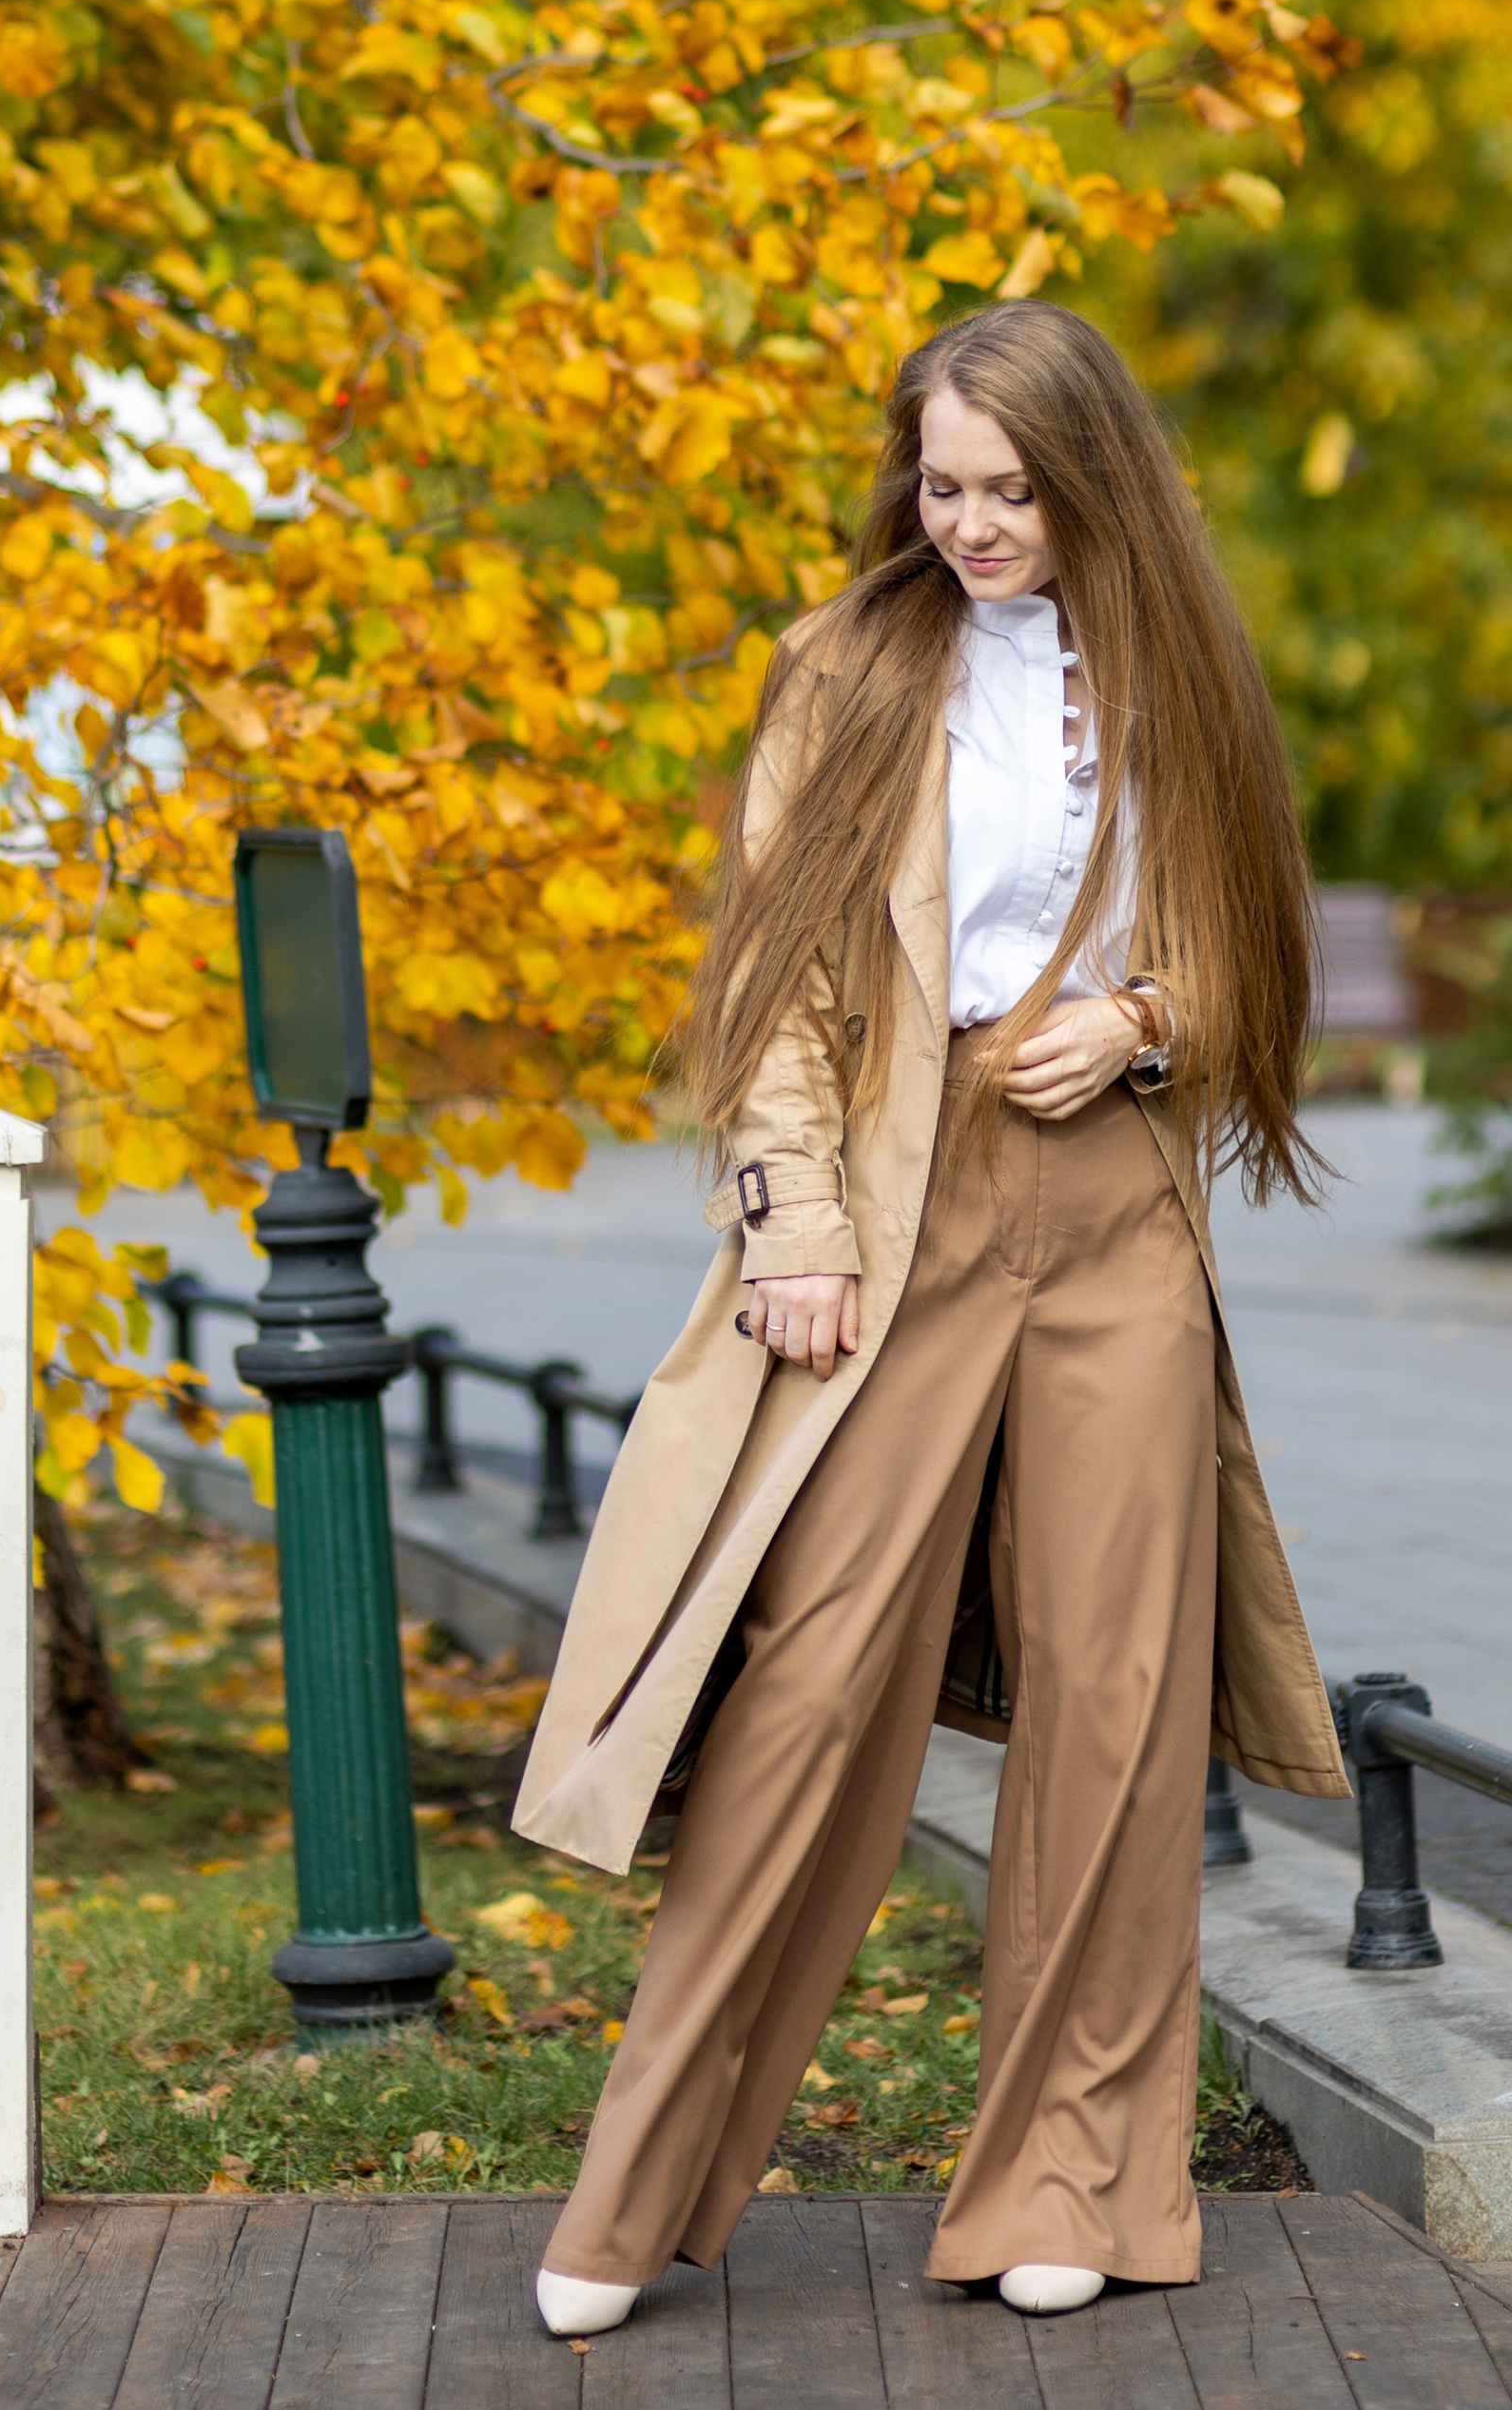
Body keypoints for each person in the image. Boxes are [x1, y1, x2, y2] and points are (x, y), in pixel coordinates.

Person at [512, 301, 1348, 2336]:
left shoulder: (1180, 675)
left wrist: (1142, 1020)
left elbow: (1252, 951)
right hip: (898, 1216)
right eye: (942, 483)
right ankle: (632, 2196)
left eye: (1010, 492)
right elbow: (774, 990)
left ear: (1096, 485)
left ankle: (1073, 2178)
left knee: (1114, 1701)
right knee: (809, 1686)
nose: (968, 524)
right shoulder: (850, 665)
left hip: (1121, 1219)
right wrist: (791, 1231)